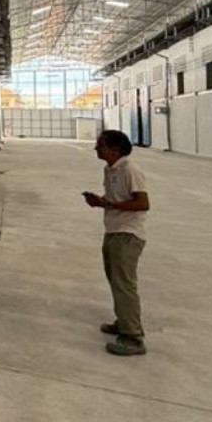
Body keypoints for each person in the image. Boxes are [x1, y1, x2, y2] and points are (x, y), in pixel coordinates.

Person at [82, 130, 150, 356]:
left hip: (128, 234)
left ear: (115, 149)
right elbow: (114, 200)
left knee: (124, 284)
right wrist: (100, 202)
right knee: (115, 280)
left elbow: (142, 203)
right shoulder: (109, 169)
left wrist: (111, 205)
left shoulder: (130, 170)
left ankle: (133, 337)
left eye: (101, 145)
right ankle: (124, 322)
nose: (96, 148)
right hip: (113, 230)